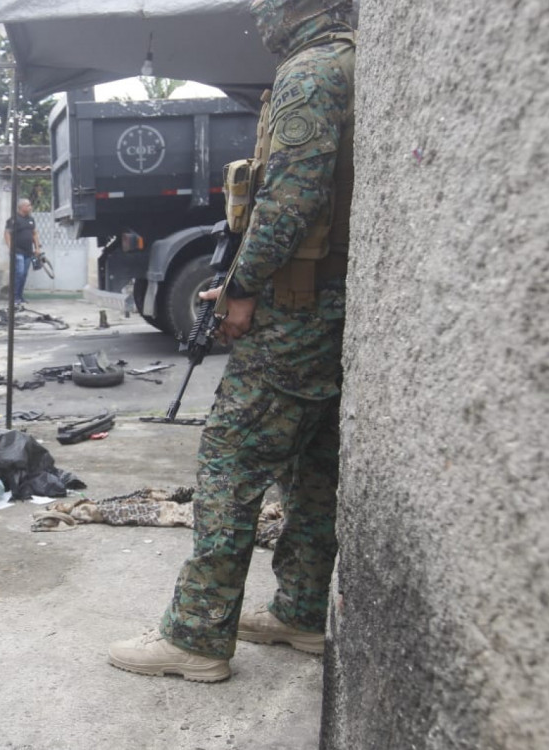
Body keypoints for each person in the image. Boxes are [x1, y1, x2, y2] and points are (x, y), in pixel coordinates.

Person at [107, 0, 357, 683]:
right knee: (310, 463)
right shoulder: (352, 63)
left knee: (230, 457)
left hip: (298, 310)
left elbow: (290, 199)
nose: (260, 18)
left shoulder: (311, 74)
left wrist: (243, 287)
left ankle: (196, 635)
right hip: (335, 307)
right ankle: (302, 610)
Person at [3, 198, 40, 307]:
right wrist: (10, 247)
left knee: (24, 274)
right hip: (17, 251)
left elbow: (34, 234)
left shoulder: (31, 219)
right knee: (18, 273)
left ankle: (20, 296)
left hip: (28, 252)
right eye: (28, 205)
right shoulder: (13, 219)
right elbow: (7, 233)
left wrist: (37, 247)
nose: (30, 207)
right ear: (22, 207)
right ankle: (14, 297)